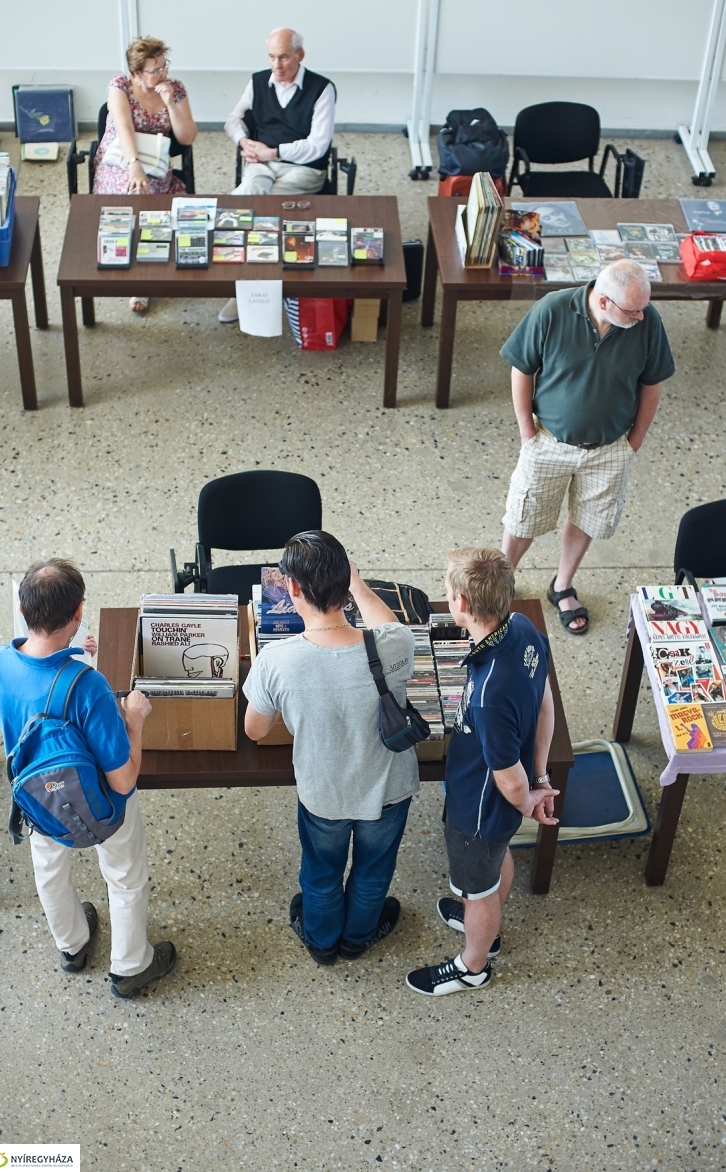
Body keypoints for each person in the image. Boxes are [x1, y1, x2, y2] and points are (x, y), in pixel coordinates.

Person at [0, 559, 176, 1000]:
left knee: (48, 867)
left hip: (35, 799)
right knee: (124, 874)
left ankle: (72, 945)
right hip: (98, 802)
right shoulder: (87, 685)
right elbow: (123, 781)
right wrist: (136, 720)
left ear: (22, 607)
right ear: (78, 612)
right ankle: (130, 966)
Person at [244, 531, 418, 966]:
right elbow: (388, 623)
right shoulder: (395, 645)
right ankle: (358, 938)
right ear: (345, 585)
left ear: (294, 589)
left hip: (324, 796)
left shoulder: (277, 661)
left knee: (321, 874)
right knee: (374, 871)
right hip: (388, 791)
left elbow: (255, 732)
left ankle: (323, 944)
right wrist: (358, 584)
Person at [405, 548, 557, 996]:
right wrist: (541, 776)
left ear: (463, 606)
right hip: (496, 814)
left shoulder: (490, 694)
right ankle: (484, 919)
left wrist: (526, 795)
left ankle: (473, 964)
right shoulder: (524, 628)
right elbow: (544, 697)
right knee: (494, 862)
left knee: (479, 886)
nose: (449, 599)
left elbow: (508, 779)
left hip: (478, 808)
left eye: (450, 594)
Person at [499, 259, 675, 634]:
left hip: (610, 448)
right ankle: (501, 582)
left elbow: (652, 384)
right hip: (548, 442)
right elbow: (522, 369)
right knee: (523, 515)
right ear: (605, 301)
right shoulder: (552, 310)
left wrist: (633, 444)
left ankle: (562, 585)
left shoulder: (646, 321)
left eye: (644, 307)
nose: (642, 317)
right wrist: (526, 433)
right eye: (634, 310)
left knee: (587, 517)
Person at [218, 28, 335, 323]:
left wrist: (274, 152)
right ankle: (249, 287)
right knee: (249, 195)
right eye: (271, 57)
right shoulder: (259, 81)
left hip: (303, 169)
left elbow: (318, 146)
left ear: (300, 55)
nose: (276, 65)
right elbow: (233, 119)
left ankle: (257, 287)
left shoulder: (322, 88)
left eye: (283, 57)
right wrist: (243, 142)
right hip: (261, 163)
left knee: (260, 211)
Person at [94, 36, 197, 315]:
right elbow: (124, 127)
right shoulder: (120, 87)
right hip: (121, 158)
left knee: (152, 199)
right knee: (136, 192)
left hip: (155, 160)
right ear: (137, 73)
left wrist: (170, 104)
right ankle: (139, 277)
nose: (163, 73)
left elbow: (187, 137)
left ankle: (150, 263)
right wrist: (133, 163)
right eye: (156, 70)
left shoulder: (174, 88)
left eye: (165, 66)